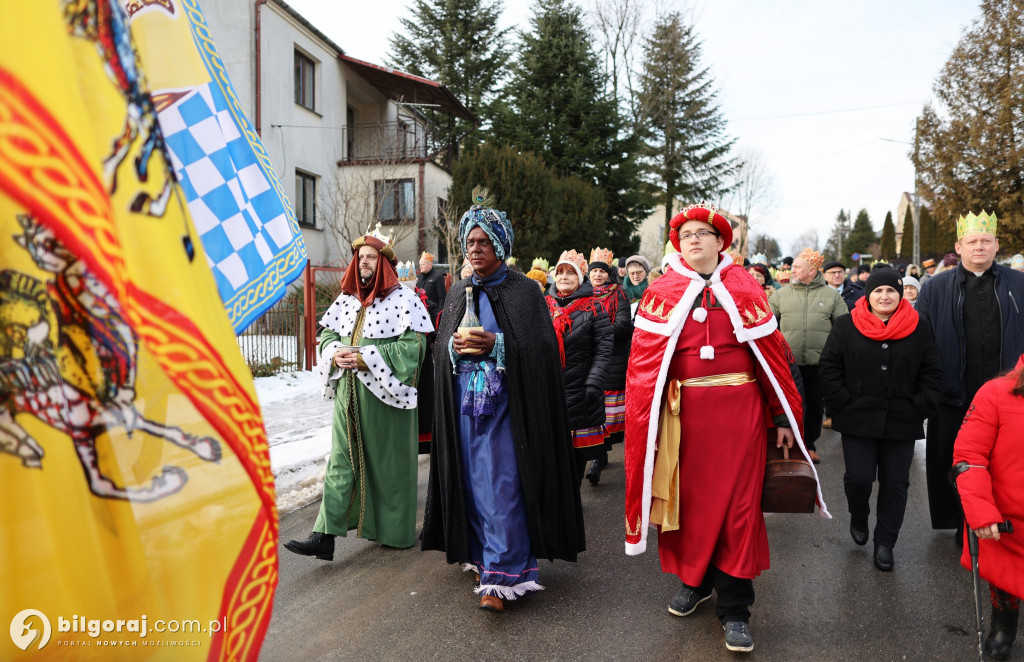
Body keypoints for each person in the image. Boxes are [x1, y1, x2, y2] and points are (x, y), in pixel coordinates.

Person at [624, 203, 828, 654]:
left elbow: (774, 362)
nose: (694, 239)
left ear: (721, 242)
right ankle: (694, 582)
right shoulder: (661, 291)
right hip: (685, 423)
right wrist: (648, 423)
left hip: (742, 421)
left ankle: (735, 608)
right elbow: (643, 369)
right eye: (687, 234)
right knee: (689, 507)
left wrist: (780, 418)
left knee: (738, 512)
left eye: (704, 233)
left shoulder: (746, 289)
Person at [422, 192, 584, 613]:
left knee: (503, 485)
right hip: (464, 405)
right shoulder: (457, 291)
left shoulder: (525, 292)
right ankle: (482, 558)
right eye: (470, 243)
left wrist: (498, 344)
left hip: (509, 409)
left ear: (501, 246)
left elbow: (544, 351)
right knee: (472, 484)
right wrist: (454, 349)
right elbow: (440, 351)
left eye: (484, 243)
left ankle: (502, 573)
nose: (476, 250)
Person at [285, 224, 433, 560]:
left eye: (370, 257)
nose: (364, 262)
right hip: (347, 394)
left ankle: (393, 531)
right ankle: (324, 534)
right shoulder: (346, 300)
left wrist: (367, 357)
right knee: (340, 461)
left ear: (383, 262)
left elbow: (413, 348)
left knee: (388, 463)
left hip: (387, 398)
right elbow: (325, 338)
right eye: (360, 257)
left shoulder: (405, 299)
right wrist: (334, 352)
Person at [819, 268, 941, 572]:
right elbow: (830, 367)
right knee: (859, 478)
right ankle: (858, 515)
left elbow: (932, 371)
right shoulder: (847, 325)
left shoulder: (919, 327)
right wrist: (842, 402)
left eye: (891, 291)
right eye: (878, 291)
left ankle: (885, 542)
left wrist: (920, 405)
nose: (884, 297)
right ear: (868, 295)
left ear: (900, 294)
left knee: (896, 483)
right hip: (857, 416)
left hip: (902, 417)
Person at [915, 210, 1024, 538]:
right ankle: (963, 522)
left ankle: (1001, 522)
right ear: (958, 247)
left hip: (1009, 394)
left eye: (986, 241)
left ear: (997, 245)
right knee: (953, 460)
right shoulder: (935, 288)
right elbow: (922, 341)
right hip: (953, 394)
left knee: (1006, 463)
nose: (979, 247)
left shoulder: (1019, 284)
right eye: (972, 241)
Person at [952, 355, 1024, 660]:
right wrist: (981, 512)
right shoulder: (995, 393)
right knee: (1005, 579)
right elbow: (969, 458)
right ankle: (1004, 626)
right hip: (1008, 518)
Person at [768, 248, 848, 463]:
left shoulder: (831, 296)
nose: (790, 270)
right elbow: (767, 326)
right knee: (790, 403)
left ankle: (810, 444)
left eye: (796, 267)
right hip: (787, 362)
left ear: (812, 270)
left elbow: (843, 328)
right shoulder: (780, 295)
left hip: (819, 363)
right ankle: (792, 442)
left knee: (814, 404)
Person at [545, 249, 614, 486]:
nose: (564, 277)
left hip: (582, 389)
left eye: (570, 273)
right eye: (560, 272)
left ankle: (572, 501)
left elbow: (604, 348)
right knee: (551, 451)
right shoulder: (544, 306)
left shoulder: (594, 307)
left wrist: (595, 381)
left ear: (580, 277)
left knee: (576, 453)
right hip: (550, 388)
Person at [583, 247, 632, 485]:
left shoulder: (618, 294)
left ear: (609, 274)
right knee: (593, 411)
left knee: (608, 416)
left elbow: (623, 326)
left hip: (612, 361)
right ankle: (597, 458)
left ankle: (599, 457)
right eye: (594, 272)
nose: (598, 275)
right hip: (586, 361)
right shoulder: (583, 295)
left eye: (602, 271)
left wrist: (596, 333)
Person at [417, 251, 448, 321]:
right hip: (420, 312)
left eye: (423, 264)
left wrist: (440, 315)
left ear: (430, 264)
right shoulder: (419, 278)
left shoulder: (438, 277)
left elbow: (442, 297)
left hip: (433, 314)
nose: (420, 267)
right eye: (420, 264)